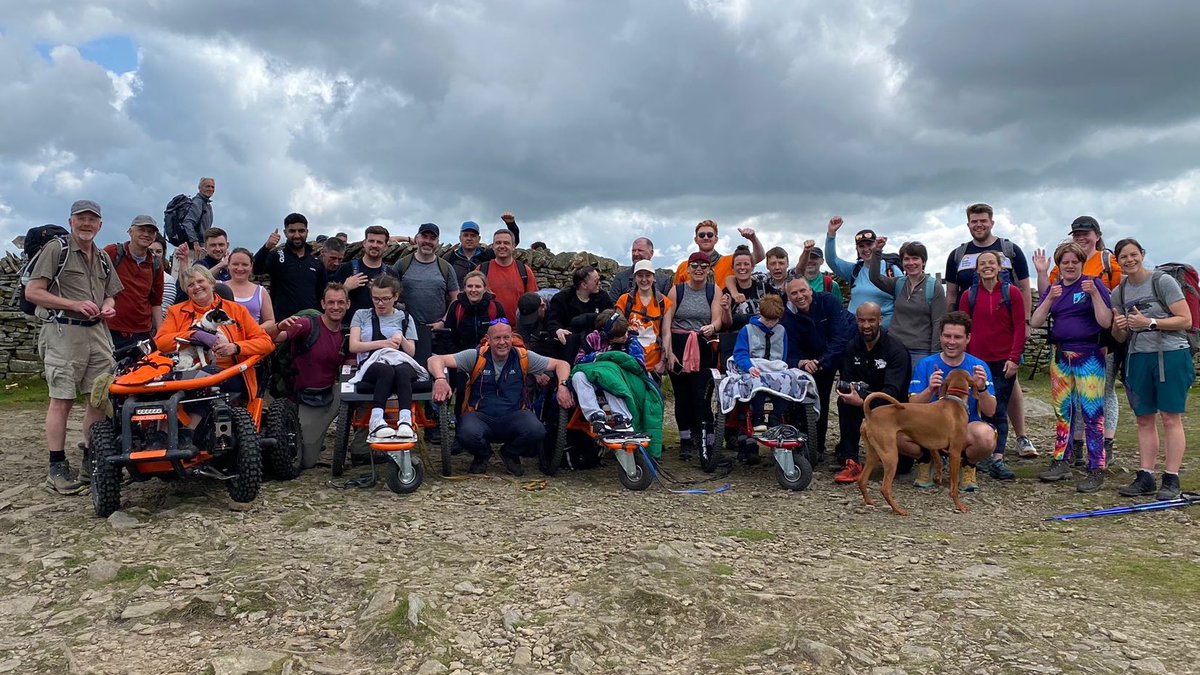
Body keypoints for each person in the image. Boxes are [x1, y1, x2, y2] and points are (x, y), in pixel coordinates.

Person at [26, 200, 122, 495]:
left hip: (97, 334)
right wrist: (73, 304)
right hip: (63, 332)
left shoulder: (103, 257)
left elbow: (111, 296)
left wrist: (108, 307)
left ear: (100, 225)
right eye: (81, 218)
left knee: (98, 399)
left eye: (92, 220)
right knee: (62, 399)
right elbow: (33, 292)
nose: (87, 224)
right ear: (71, 221)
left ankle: (89, 462)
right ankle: (56, 468)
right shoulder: (57, 249)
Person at [944, 202, 1037, 458]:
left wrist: (1026, 323)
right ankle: (974, 446)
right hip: (974, 339)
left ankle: (1015, 441)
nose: (979, 225)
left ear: (992, 222)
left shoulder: (1010, 250)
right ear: (968, 224)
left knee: (1005, 392)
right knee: (977, 396)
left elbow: (1025, 288)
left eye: (983, 220)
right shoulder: (958, 255)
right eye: (974, 221)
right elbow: (952, 294)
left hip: (1005, 338)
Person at [428, 319, 574, 476]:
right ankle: (482, 455)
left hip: (514, 415)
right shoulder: (476, 356)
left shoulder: (523, 357)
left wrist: (563, 386)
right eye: (497, 338)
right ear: (488, 340)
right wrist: (440, 379)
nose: (502, 342)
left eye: (506, 337)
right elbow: (435, 359)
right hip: (480, 416)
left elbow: (562, 364)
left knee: (537, 430)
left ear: (512, 338)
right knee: (466, 434)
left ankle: (510, 453)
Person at [1033, 215, 1123, 464]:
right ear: (1059, 265)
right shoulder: (1055, 289)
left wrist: (1095, 294)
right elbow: (1036, 321)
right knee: (1064, 410)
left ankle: (1097, 465)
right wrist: (1050, 298)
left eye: (1074, 262)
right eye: (1065, 262)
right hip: (1061, 355)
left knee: (1092, 411)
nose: (1070, 266)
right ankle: (1062, 459)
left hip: (1090, 354)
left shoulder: (1094, 284)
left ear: (1082, 263)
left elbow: (1106, 321)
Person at [1110, 238, 1194, 500]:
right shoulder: (1119, 293)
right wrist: (1119, 326)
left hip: (1171, 354)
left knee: (1170, 417)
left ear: (1142, 254)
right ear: (1118, 261)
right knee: (1144, 418)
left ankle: (1171, 478)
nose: (1129, 260)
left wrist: (1150, 322)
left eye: (1133, 255)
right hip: (1138, 357)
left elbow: (1186, 319)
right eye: (1123, 257)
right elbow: (1120, 337)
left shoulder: (1163, 282)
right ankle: (1146, 475)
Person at [157, 265, 274, 445]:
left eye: (200, 281)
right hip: (186, 371)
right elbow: (161, 342)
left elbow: (266, 343)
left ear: (211, 283)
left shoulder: (236, 310)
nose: (196, 287)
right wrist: (192, 335)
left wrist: (235, 347)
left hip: (229, 372)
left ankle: (189, 431)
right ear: (185, 291)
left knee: (209, 381)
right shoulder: (176, 312)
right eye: (190, 285)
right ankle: (160, 434)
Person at [906, 311, 998, 492]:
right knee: (897, 432)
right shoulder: (925, 364)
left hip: (964, 428)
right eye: (947, 336)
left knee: (986, 436)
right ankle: (926, 460)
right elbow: (911, 406)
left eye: (957, 337)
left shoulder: (978, 366)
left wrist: (982, 388)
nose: (951, 341)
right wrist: (930, 389)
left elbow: (990, 411)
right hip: (930, 429)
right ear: (940, 336)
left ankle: (967, 465)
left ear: (968, 338)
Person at [719, 294, 816, 464]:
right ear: (761, 314)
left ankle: (776, 417)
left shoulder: (782, 330)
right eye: (768, 320)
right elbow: (740, 354)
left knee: (790, 381)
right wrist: (749, 367)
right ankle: (757, 419)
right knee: (759, 383)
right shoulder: (747, 330)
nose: (771, 324)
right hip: (753, 366)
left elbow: (783, 356)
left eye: (775, 320)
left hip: (774, 367)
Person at [959, 250, 1025, 480]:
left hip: (1003, 362)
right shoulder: (969, 296)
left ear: (1000, 268)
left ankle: (998, 458)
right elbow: (963, 329)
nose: (987, 267)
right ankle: (976, 457)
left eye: (991, 263)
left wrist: (1014, 358)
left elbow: (1019, 328)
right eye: (982, 264)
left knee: (999, 409)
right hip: (976, 363)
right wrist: (964, 360)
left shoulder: (1012, 293)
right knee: (975, 409)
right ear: (976, 270)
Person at [832, 303, 912, 484]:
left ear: (880, 320)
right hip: (862, 400)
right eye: (861, 321)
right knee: (844, 402)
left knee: (903, 467)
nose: (866, 325)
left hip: (892, 409)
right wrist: (851, 395)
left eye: (871, 320)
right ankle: (850, 460)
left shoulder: (896, 349)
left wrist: (864, 401)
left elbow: (893, 391)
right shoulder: (852, 347)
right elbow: (847, 382)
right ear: (856, 321)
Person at [275, 283, 351, 469]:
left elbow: (351, 368)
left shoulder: (347, 335)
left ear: (348, 305)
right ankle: (313, 438)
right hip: (305, 399)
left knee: (365, 391)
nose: (336, 307)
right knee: (305, 462)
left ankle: (361, 449)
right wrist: (278, 327)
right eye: (331, 302)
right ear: (323, 304)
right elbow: (274, 338)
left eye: (341, 302)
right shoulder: (307, 325)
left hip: (330, 394)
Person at [779, 277, 853, 466]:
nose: (800, 296)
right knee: (817, 396)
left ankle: (848, 450)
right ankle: (816, 446)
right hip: (813, 357)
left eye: (802, 290)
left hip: (845, 349)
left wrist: (821, 361)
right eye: (794, 293)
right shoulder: (787, 316)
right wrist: (802, 363)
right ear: (788, 297)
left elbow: (840, 337)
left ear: (811, 290)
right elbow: (790, 350)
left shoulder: (829, 301)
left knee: (847, 396)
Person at [571, 310, 663, 458]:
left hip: (619, 380)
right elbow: (578, 361)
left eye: (625, 332)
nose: (625, 336)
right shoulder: (592, 339)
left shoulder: (631, 341)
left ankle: (622, 419)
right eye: (620, 336)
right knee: (578, 376)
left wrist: (616, 360)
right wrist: (597, 356)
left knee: (610, 379)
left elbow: (638, 365)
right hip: (592, 377)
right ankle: (596, 416)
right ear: (607, 336)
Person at [662, 252, 724, 460]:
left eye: (703, 266)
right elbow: (667, 325)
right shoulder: (676, 291)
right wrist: (668, 352)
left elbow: (718, 321)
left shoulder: (713, 290)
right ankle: (685, 439)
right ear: (687, 269)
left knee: (702, 395)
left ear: (709, 270)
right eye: (694, 266)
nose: (699, 270)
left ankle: (706, 438)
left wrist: (712, 327)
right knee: (682, 396)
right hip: (679, 346)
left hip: (703, 345)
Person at [348, 276, 423, 443]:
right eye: (376, 299)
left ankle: (405, 419)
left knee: (402, 370)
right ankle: (377, 419)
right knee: (385, 369)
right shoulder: (361, 315)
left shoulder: (405, 317)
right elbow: (353, 346)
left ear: (395, 297)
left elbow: (411, 352)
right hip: (371, 364)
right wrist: (384, 343)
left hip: (400, 362)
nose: (380, 303)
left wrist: (400, 338)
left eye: (385, 299)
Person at [867, 239, 946, 368]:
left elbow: (938, 322)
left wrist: (935, 355)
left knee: (917, 388)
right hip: (894, 348)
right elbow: (875, 278)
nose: (911, 263)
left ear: (923, 261)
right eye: (906, 259)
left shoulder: (934, 287)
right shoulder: (898, 283)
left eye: (915, 259)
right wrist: (876, 251)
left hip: (920, 351)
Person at [818, 218, 901, 325]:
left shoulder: (892, 270)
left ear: (876, 245)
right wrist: (831, 234)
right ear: (857, 249)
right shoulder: (854, 271)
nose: (865, 249)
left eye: (869, 244)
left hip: (883, 332)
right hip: (855, 330)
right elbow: (832, 260)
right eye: (861, 246)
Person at [103, 215, 164, 352]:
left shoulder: (155, 264)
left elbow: (156, 302)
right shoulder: (113, 253)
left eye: (151, 232)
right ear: (130, 232)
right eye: (141, 230)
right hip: (110, 329)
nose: (146, 234)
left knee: (142, 371)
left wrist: (161, 332)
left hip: (142, 332)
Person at [253, 213, 327, 321]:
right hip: (282, 324)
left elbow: (322, 294)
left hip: (311, 323)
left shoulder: (316, 261)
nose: (297, 235)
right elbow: (256, 269)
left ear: (307, 232)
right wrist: (266, 247)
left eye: (301, 231)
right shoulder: (276, 256)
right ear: (285, 233)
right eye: (292, 231)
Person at [391, 223, 459, 339]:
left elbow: (455, 299)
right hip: (405, 331)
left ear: (437, 242)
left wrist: (443, 322)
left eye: (432, 238)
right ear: (417, 239)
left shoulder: (446, 267)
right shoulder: (402, 265)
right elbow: (389, 295)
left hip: (438, 333)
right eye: (424, 236)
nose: (428, 241)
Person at [614, 260, 673, 375]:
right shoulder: (624, 300)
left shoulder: (664, 302)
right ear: (635, 278)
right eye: (640, 276)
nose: (644, 280)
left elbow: (666, 333)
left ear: (654, 278)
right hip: (628, 362)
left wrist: (662, 362)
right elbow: (618, 331)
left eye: (648, 275)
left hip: (654, 364)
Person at [673, 220, 764, 288]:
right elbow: (676, 294)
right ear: (695, 239)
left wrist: (753, 239)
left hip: (725, 310)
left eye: (710, 235)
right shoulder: (684, 266)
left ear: (716, 239)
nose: (705, 237)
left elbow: (759, 257)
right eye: (701, 235)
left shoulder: (730, 261)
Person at [547, 265, 613, 357]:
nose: (600, 283)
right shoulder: (561, 299)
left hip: (598, 346)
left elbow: (611, 316)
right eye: (596, 281)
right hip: (570, 346)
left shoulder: (603, 297)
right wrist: (558, 330)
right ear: (584, 285)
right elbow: (553, 320)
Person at [477, 229, 537, 322]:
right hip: (489, 330)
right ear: (493, 246)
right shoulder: (481, 270)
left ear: (513, 246)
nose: (502, 246)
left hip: (519, 331)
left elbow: (533, 303)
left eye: (506, 243)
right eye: (498, 243)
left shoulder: (525, 271)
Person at [335, 225, 392, 319]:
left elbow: (395, 304)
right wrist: (345, 288)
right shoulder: (347, 269)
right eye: (371, 241)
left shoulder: (391, 275)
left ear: (386, 247)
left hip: (380, 329)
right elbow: (330, 299)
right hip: (348, 329)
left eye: (379, 242)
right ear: (364, 243)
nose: (374, 245)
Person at [443, 271, 507, 351]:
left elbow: (504, 335)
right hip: (461, 358)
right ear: (465, 288)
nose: (473, 290)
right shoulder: (456, 308)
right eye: (470, 286)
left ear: (484, 289)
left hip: (489, 356)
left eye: (478, 286)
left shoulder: (495, 307)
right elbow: (448, 337)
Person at [226, 248, 276, 335]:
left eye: (245, 264)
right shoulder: (218, 287)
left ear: (251, 266)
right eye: (235, 264)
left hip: (251, 342)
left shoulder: (261, 291)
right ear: (228, 265)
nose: (240, 268)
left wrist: (249, 331)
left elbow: (270, 321)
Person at [445, 221, 493, 285]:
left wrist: (510, 224)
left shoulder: (488, 256)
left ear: (479, 238)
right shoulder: (449, 258)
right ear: (460, 238)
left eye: (473, 235)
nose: (469, 238)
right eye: (466, 235)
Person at [179, 177, 215, 259]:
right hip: (194, 247)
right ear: (199, 188)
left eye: (212, 187)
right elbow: (187, 222)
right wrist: (195, 243)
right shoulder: (198, 202)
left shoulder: (207, 205)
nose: (210, 189)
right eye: (207, 186)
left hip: (201, 246)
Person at [148, 236, 178, 312]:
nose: (153, 254)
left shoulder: (167, 280)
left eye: (158, 251)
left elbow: (163, 312)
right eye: (150, 251)